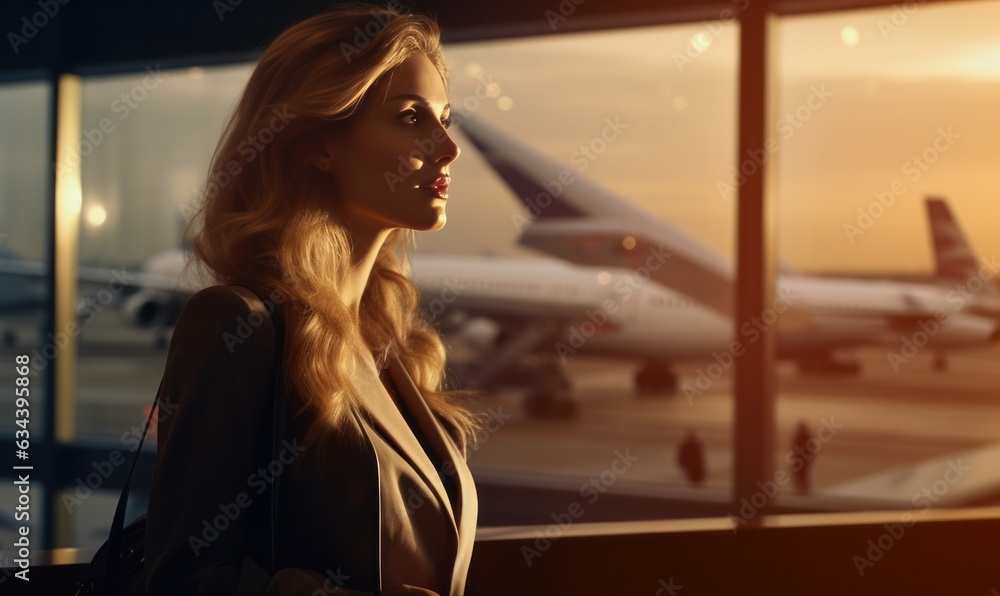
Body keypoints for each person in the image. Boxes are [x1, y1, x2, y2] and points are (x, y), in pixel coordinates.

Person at [144, 5, 482, 595]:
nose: (448, 148)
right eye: (410, 117)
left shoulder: (386, 340)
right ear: (317, 144)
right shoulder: (237, 324)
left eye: (444, 119)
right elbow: (183, 578)